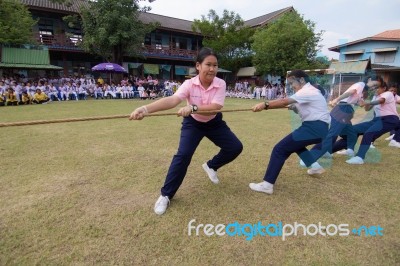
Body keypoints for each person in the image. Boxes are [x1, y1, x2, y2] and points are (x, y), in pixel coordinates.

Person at [129, 47, 243, 215]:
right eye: (208, 65)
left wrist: (193, 107)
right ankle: (166, 195)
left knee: (235, 147)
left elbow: (215, 108)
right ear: (198, 66)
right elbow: (173, 100)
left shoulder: (220, 83)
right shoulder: (189, 84)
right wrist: (145, 109)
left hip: (213, 122)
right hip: (193, 124)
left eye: (215, 65)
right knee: (183, 155)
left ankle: (211, 166)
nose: (212, 69)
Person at [249, 70, 330, 194]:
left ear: (302, 80)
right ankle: (314, 167)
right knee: (296, 145)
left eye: (293, 82)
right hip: (319, 128)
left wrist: (264, 105)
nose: (292, 86)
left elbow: (283, 101)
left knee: (279, 149)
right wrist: (294, 107)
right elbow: (298, 108)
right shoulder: (312, 91)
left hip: (313, 127)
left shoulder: (306, 91)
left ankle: (267, 185)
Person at [305, 76, 381, 169]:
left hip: (347, 110)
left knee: (351, 133)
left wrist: (370, 102)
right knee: (332, 134)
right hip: (342, 109)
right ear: (369, 80)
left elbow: (361, 103)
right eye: (374, 84)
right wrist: (336, 99)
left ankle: (348, 150)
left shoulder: (362, 90)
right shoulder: (360, 84)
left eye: (376, 87)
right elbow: (350, 92)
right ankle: (311, 157)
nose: (374, 87)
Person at [333, 82, 399, 164]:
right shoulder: (375, 97)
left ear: (384, 88)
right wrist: (364, 102)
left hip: (389, 119)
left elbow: (381, 101)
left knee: (369, 133)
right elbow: (368, 109)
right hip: (376, 120)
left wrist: (368, 103)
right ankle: (338, 150)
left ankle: (360, 157)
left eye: (377, 88)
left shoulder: (388, 93)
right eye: (374, 88)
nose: (375, 90)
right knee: (352, 130)